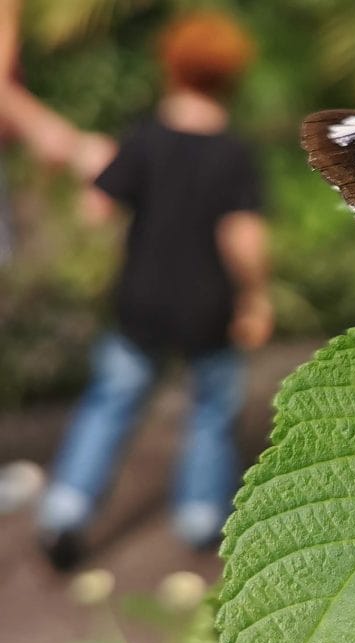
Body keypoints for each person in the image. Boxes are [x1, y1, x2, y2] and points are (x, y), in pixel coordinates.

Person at [0, 10, 272, 569]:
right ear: (232, 76)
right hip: (207, 308)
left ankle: (66, 509)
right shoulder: (234, 152)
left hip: (141, 303)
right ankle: (199, 517)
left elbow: (97, 207)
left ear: (169, 67)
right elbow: (243, 238)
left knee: (110, 402)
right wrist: (255, 297)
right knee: (210, 412)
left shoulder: (145, 136)